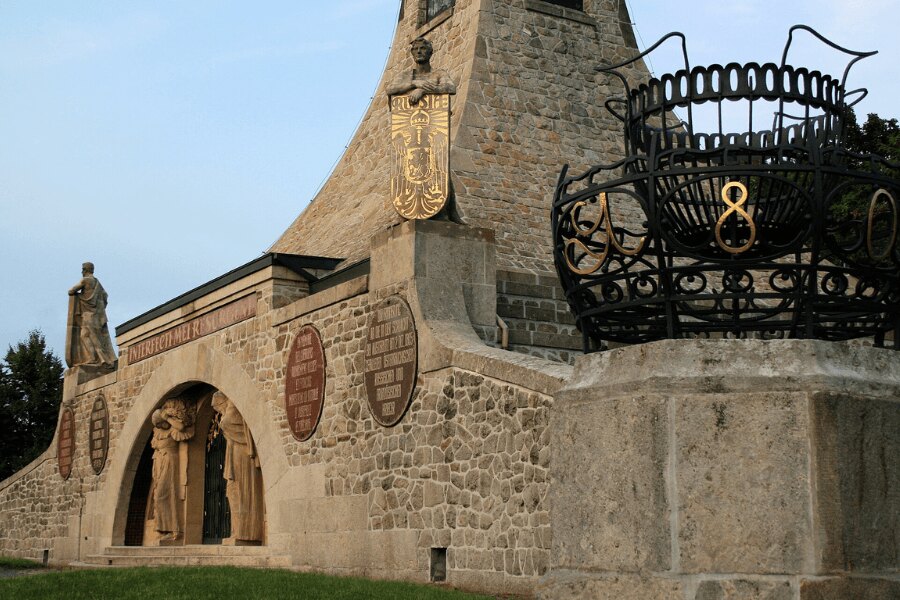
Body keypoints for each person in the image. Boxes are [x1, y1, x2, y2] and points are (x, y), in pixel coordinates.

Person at [212, 392, 264, 542]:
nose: (219, 412)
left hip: (241, 454)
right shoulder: (229, 407)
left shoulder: (233, 405)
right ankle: (237, 531)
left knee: (241, 490)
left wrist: (223, 421)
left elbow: (227, 422)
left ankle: (245, 532)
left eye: (219, 408)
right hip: (234, 451)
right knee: (233, 491)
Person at [149, 399, 194, 542]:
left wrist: (167, 416)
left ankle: (171, 529)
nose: (161, 426)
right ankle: (162, 529)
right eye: (159, 424)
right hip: (159, 461)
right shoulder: (158, 432)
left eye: (161, 423)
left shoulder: (173, 426)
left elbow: (181, 427)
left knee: (165, 494)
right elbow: (154, 443)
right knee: (158, 496)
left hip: (169, 460)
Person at [67, 262, 116, 368]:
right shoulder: (98, 283)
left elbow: (71, 291)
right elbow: (105, 296)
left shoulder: (85, 280)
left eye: (82, 269)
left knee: (94, 337)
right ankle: (93, 358)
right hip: (94, 314)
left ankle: (104, 360)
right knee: (84, 335)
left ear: (85, 270)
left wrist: (81, 296)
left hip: (90, 314)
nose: (82, 271)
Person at [386, 37, 456, 104]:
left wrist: (422, 90)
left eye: (422, 48)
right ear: (412, 53)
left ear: (430, 53)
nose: (418, 51)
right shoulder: (405, 75)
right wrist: (414, 84)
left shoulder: (439, 74)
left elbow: (451, 88)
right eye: (416, 49)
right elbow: (390, 89)